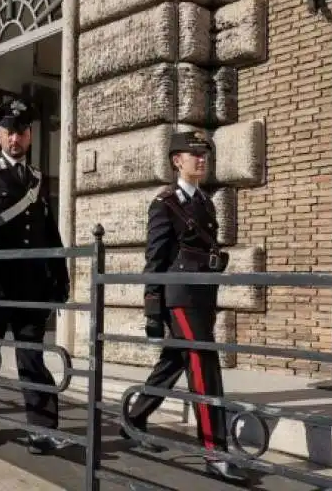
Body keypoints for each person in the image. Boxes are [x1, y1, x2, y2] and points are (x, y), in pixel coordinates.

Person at [120, 130, 248, 484]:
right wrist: (151, 309)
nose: (202, 159)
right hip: (179, 298)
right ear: (177, 160)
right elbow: (155, 258)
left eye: (205, 153)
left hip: (203, 295)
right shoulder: (165, 202)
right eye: (195, 154)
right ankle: (215, 452)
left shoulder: (205, 202)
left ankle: (135, 418)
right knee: (204, 365)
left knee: (173, 361)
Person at [0, 98, 70, 455]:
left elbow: (49, 232)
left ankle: (42, 429)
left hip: (31, 284)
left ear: (30, 136)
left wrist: (60, 276)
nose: (14, 138)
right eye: (8, 132)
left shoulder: (35, 178)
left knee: (32, 356)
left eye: (21, 132)